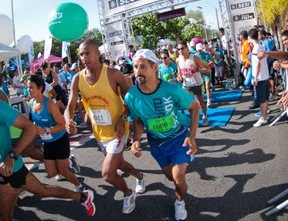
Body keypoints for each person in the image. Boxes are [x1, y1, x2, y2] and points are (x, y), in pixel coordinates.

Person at [64, 38, 145, 215]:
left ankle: (128, 193)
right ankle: (140, 176)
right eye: (81, 54)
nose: (83, 57)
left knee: (108, 174)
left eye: (87, 52)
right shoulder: (77, 78)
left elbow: (131, 101)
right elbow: (69, 106)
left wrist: (122, 117)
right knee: (120, 164)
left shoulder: (113, 74)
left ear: (97, 53)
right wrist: (68, 120)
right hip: (99, 134)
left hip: (118, 131)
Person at [123, 49, 199, 221]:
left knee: (179, 177)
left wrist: (192, 137)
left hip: (179, 137)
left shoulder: (172, 89)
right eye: (135, 67)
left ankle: (179, 201)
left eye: (142, 66)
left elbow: (194, 108)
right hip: (156, 143)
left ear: (154, 67)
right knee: (170, 177)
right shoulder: (131, 96)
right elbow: (138, 121)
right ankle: (179, 191)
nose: (138, 71)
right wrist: (136, 140)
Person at [0, 101, 96, 220]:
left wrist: (12, 155)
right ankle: (83, 196)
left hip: (8, 170)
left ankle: (83, 196)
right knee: (43, 191)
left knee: (5, 217)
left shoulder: (1, 106)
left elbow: (31, 128)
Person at [27, 74, 81, 189]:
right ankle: (69, 161)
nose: (28, 90)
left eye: (31, 87)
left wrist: (45, 130)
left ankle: (79, 187)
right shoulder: (31, 104)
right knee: (51, 173)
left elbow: (63, 125)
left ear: (40, 88)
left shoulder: (50, 105)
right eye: (28, 87)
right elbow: (34, 122)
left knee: (63, 170)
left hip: (59, 140)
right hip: (47, 142)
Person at [176, 40, 210, 125]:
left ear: (187, 48)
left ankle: (205, 116)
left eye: (182, 48)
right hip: (186, 85)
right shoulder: (178, 59)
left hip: (197, 84)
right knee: (188, 103)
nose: (180, 51)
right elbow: (179, 69)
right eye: (178, 49)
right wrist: (179, 76)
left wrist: (197, 69)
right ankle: (193, 118)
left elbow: (208, 69)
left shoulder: (195, 58)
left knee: (200, 101)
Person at [248, 28, 270, 127]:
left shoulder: (256, 48)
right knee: (265, 98)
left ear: (249, 37)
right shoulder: (260, 45)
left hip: (260, 77)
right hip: (265, 76)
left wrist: (255, 78)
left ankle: (263, 117)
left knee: (262, 99)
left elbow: (258, 64)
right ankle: (265, 115)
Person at [195, 43, 213, 108]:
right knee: (201, 88)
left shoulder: (206, 54)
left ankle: (209, 101)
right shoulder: (195, 56)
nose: (199, 51)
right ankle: (202, 101)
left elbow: (211, 61)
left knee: (207, 86)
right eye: (198, 50)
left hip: (207, 72)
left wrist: (206, 65)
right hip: (199, 73)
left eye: (200, 49)